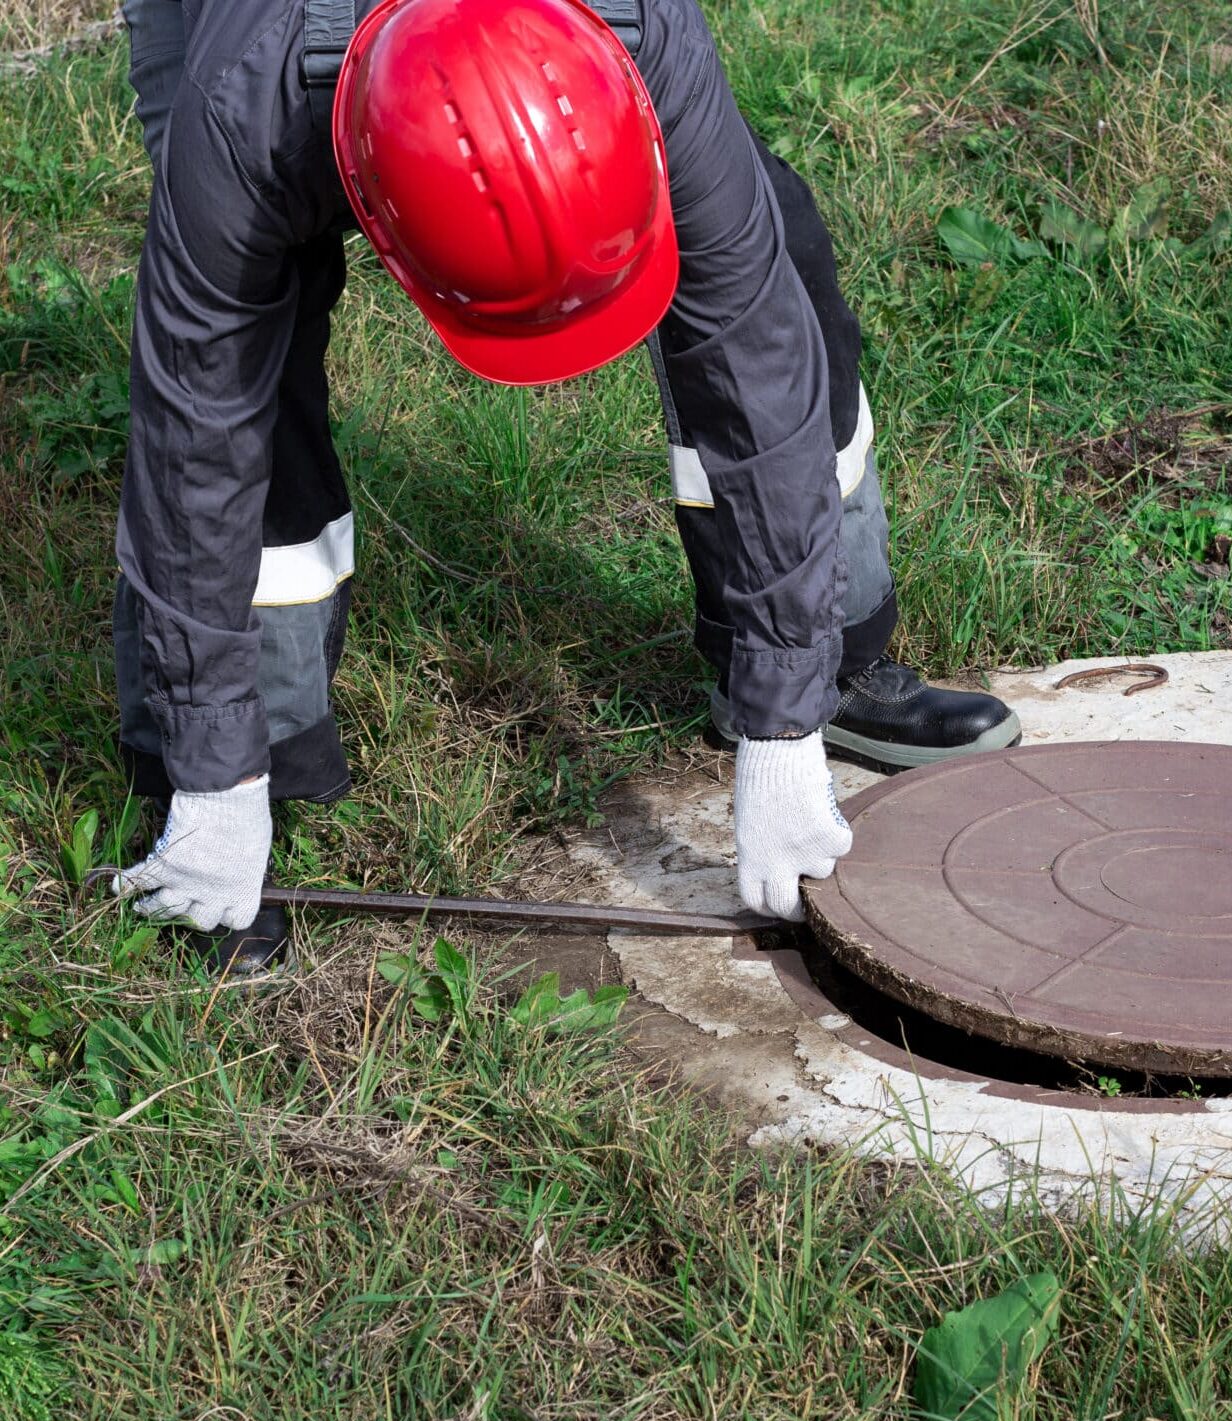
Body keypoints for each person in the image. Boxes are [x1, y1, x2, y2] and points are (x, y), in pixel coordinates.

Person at [111, 0, 1020, 971]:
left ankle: (821, 663)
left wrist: (783, 720)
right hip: (255, 44)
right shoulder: (238, 112)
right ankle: (218, 784)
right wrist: (216, 776)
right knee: (254, 355)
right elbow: (194, 443)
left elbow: (751, 358)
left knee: (772, 246)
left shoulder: (639, 34)